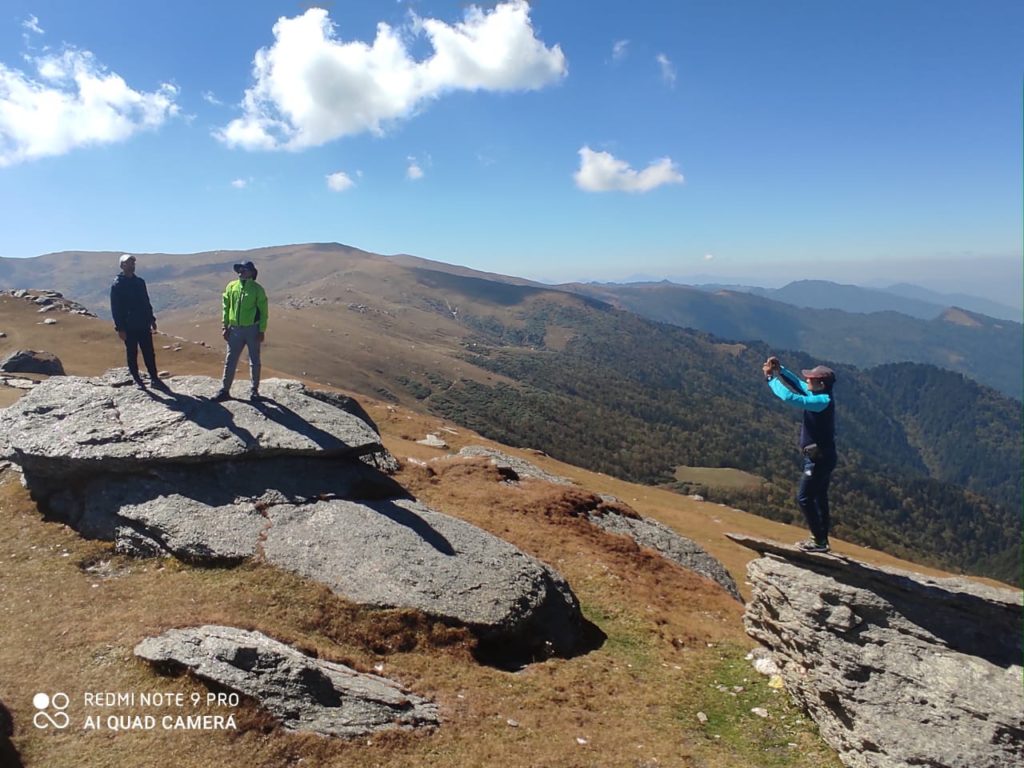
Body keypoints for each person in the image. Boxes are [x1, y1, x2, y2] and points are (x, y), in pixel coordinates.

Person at [762, 356, 837, 552]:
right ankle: (821, 540)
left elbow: (790, 397)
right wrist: (781, 370)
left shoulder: (821, 401)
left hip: (818, 460)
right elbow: (797, 383)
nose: (807, 381)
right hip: (822, 457)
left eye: (811, 379)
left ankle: (819, 542)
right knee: (819, 498)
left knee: (804, 498)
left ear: (820, 383)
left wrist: (771, 379)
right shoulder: (819, 394)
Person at [110, 254, 169, 391]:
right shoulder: (118, 284)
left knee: (149, 351)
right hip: (128, 325)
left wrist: (151, 319)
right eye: (129, 263)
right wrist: (120, 328)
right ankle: (137, 379)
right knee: (132, 352)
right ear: (122, 266)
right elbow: (116, 308)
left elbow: (146, 302)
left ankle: (154, 378)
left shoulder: (139, 282)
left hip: (143, 323)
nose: (132, 265)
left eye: (133, 263)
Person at [212, 260, 268, 402]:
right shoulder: (231, 287)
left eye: (244, 269)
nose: (241, 272)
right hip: (235, 329)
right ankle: (225, 390)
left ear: (251, 273)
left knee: (254, 360)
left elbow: (263, 312)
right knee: (230, 360)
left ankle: (254, 390)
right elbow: (226, 306)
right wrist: (225, 326)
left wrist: (261, 330)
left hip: (252, 329)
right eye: (240, 269)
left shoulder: (257, 289)